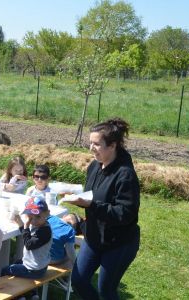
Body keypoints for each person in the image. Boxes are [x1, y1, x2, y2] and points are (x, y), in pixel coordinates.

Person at [64, 118, 140, 300]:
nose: (91, 148)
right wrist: (75, 197)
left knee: (106, 289)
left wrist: (90, 205)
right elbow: (93, 195)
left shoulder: (125, 175)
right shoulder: (94, 167)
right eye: (90, 142)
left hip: (119, 242)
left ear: (112, 145)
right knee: (79, 281)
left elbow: (125, 214)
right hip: (94, 236)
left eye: (97, 144)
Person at [1, 197, 52, 279]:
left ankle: (19, 290)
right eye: (30, 217)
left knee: (5, 270)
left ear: (47, 213)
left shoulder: (45, 231)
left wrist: (26, 226)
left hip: (35, 270)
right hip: (37, 264)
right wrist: (21, 224)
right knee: (16, 262)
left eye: (38, 217)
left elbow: (29, 245)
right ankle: (21, 286)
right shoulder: (39, 225)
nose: (34, 221)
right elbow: (28, 235)